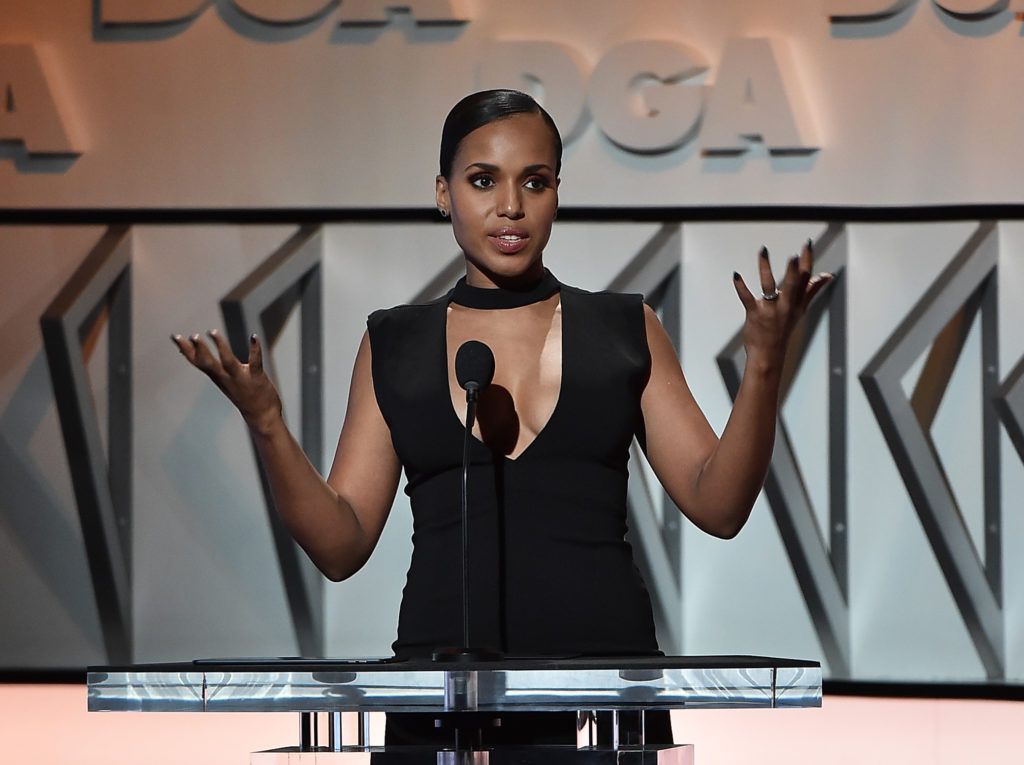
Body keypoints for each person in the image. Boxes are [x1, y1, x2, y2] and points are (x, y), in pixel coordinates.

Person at [172, 89, 832, 747]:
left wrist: (765, 363)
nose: (510, 206)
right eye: (483, 180)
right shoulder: (396, 342)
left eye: (534, 181)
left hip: (604, 703)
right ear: (443, 192)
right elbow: (341, 544)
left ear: (556, 193)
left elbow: (719, 504)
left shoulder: (624, 329)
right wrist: (266, 423)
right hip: (439, 695)